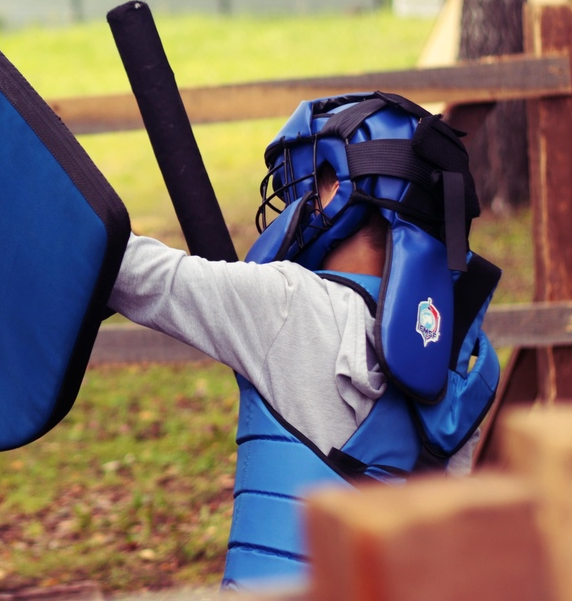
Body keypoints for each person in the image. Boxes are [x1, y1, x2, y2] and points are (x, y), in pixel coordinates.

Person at [104, 92, 498, 590]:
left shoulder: (288, 304)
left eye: (307, 182)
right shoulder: (456, 356)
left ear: (338, 189)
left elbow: (130, 272)